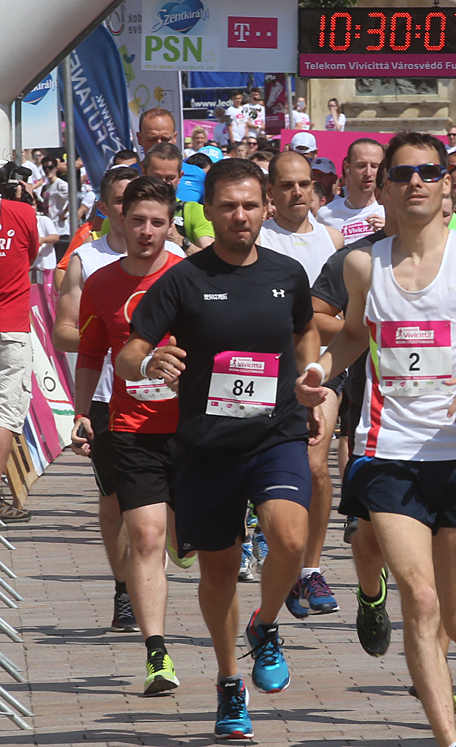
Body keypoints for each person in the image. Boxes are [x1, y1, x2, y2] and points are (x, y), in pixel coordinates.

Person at [311, 132, 456, 747]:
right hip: (387, 453)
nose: (416, 182)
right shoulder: (363, 263)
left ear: (446, 185)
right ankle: (448, 740)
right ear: (384, 186)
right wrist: (320, 371)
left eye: (429, 172)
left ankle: (434, 648)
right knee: (420, 596)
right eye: (403, 173)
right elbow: (354, 335)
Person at [115, 158, 324, 740]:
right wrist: (151, 360)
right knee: (220, 574)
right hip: (206, 447)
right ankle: (231, 683)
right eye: (228, 206)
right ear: (206, 210)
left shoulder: (286, 272)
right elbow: (130, 354)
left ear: (267, 208)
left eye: (250, 205)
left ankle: (267, 624)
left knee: (288, 537)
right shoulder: (182, 279)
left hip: (275, 432)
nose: (240, 216)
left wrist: (310, 375)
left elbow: (305, 329)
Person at [54, 166, 186, 626]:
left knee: (179, 528)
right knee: (127, 515)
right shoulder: (97, 276)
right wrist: (81, 411)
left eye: (156, 222)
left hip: (185, 417)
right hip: (119, 411)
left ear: (170, 224)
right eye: (136, 220)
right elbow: (88, 350)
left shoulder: (188, 274)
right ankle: (130, 595)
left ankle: (175, 543)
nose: (146, 231)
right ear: (117, 218)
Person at [258, 152, 347, 617]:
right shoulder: (258, 237)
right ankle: (277, 549)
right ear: (270, 193)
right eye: (287, 185)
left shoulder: (331, 240)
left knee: (315, 462)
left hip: (323, 367)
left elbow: (341, 316)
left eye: (304, 185)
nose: (297, 193)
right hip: (267, 370)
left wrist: (342, 333)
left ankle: (310, 569)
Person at [0, 191, 39, 522]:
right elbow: (32, 257)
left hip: (11, 326)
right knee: (6, 413)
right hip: (10, 325)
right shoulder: (22, 213)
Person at [317, 139, 386, 242]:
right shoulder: (325, 215)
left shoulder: (392, 212)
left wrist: (390, 231)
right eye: (361, 166)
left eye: (374, 166)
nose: (368, 173)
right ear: (347, 168)